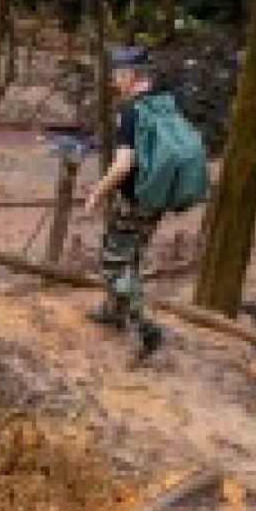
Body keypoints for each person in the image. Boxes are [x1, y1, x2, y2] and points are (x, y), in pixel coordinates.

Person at [84, 46, 167, 360]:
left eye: (117, 74)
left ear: (130, 75)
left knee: (113, 264)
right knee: (131, 257)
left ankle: (146, 327)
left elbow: (122, 165)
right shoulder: (164, 104)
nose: (114, 80)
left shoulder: (133, 112)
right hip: (156, 197)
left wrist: (98, 192)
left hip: (133, 199)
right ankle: (113, 313)